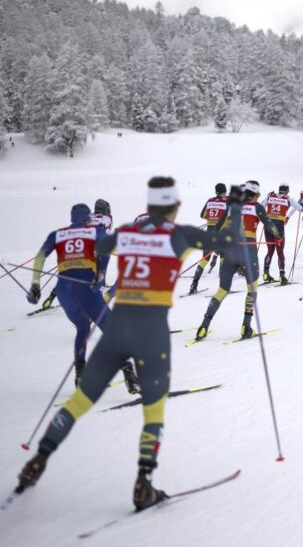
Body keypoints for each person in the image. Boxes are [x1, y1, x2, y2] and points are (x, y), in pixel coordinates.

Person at [16, 177, 245, 510]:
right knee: (153, 408)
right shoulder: (179, 235)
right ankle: (143, 484)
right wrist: (235, 207)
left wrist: (86, 273)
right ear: (175, 205)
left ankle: (38, 460)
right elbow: (225, 240)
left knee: (81, 400)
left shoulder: (126, 231)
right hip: (150, 331)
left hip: (118, 325)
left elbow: (98, 247)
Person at [27, 203, 139, 391]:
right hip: (87, 289)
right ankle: (130, 375)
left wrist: (35, 285)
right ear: (87, 219)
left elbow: (39, 257)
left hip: (63, 293)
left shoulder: (58, 234)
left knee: (82, 327)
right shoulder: (95, 232)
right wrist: (101, 275)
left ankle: (80, 374)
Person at [195, 181, 279, 340]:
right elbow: (270, 225)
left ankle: (203, 327)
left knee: (221, 291)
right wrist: (279, 238)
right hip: (248, 252)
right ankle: (246, 327)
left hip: (230, 252)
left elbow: (218, 229)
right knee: (252, 288)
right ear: (255, 194)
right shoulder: (257, 207)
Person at [188, 183, 228, 294]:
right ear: (224, 191)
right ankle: (223, 287)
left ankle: (194, 284)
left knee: (205, 259)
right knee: (224, 258)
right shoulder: (226, 202)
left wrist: (211, 218)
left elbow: (202, 215)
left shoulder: (210, 201)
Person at [261, 183, 303, 284]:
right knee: (280, 251)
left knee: (270, 250)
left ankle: (266, 273)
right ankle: (282, 275)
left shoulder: (270, 196)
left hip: (268, 225)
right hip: (279, 227)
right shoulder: (288, 199)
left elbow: (260, 206)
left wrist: (267, 197)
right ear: (286, 190)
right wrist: (302, 200)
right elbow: (301, 208)